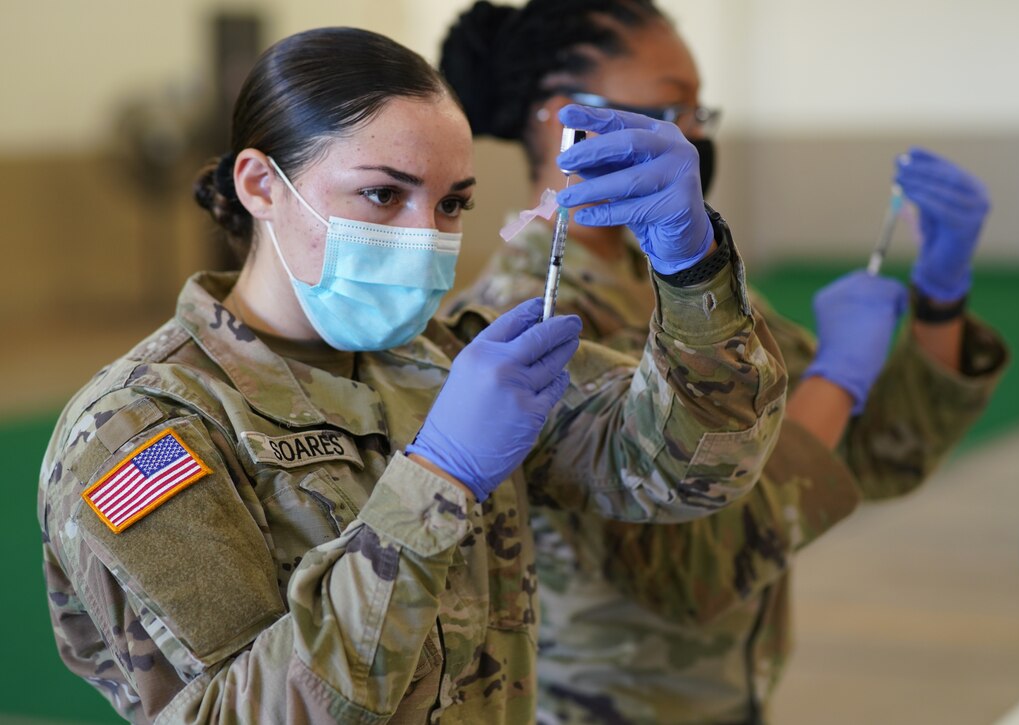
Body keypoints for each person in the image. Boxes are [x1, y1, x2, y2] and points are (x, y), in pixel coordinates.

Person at [38, 25, 789, 724]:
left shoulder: (451, 360)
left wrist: (691, 268)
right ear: (261, 185)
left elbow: (693, 468)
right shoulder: (144, 430)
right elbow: (241, 709)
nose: (424, 236)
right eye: (383, 194)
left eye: (452, 203)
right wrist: (438, 475)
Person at [440, 1, 1009, 722]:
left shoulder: (690, 285)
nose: (695, 135)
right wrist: (833, 376)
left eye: (700, 111)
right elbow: (700, 567)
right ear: (570, 118)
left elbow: (870, 455)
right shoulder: (526, 322)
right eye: (671, 108)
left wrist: (940, 297)